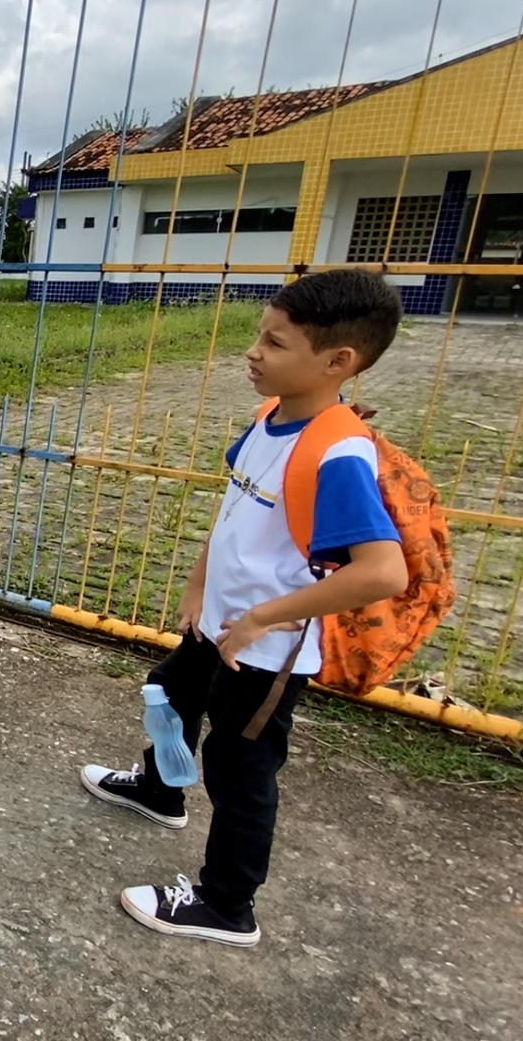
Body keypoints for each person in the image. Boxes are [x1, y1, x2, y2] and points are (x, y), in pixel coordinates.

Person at [79, 269, 408, 946]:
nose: (254, 352)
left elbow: (382, 572)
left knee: (240, 770)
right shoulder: (271, 416)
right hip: (219, 624)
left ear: (338, 361)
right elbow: (235, 509)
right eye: (259, 336)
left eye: (275, 342)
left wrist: (262, 617)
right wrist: (201, 585)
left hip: (263, 650)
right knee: (168, 692)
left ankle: (228, 904)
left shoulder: (338, 452)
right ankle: (160, 788)